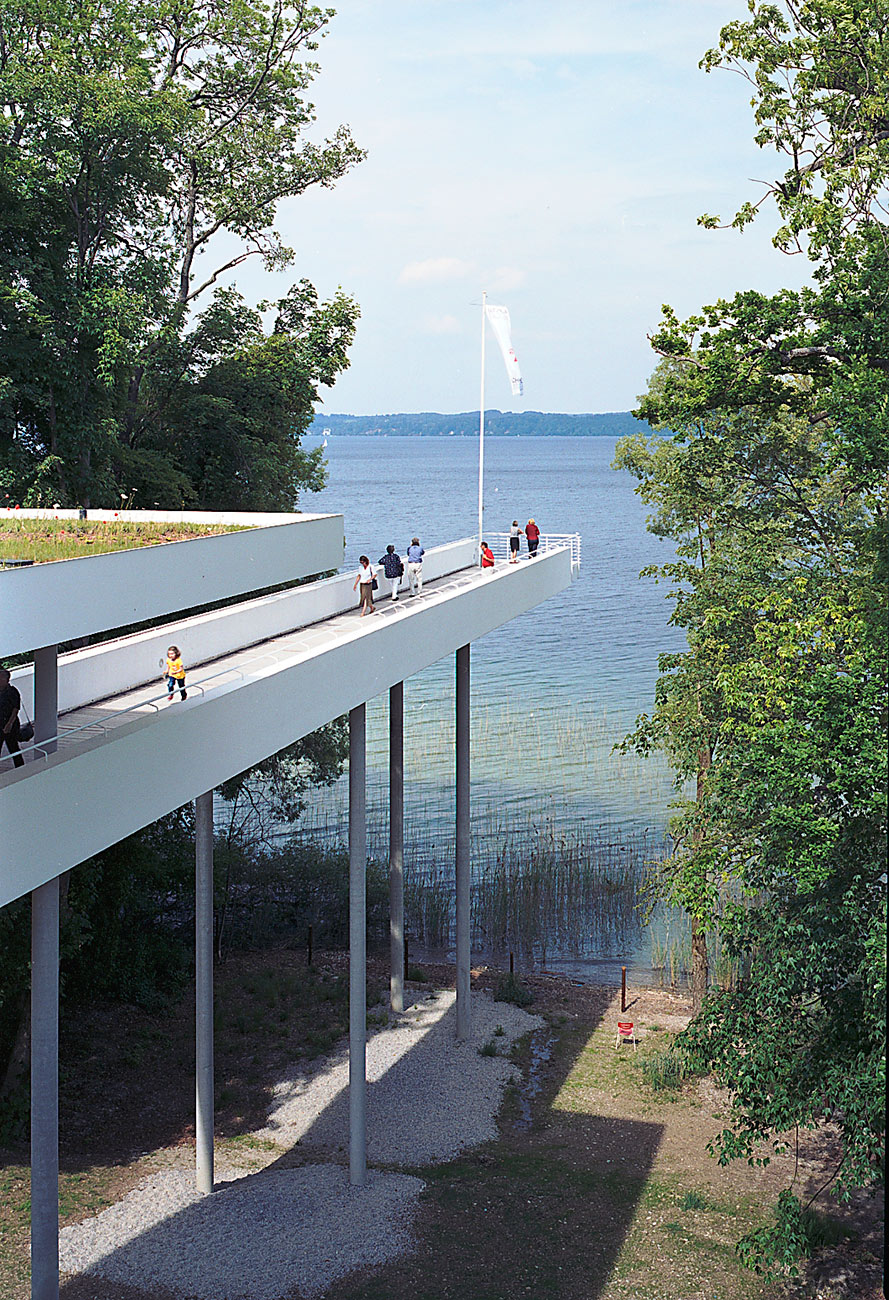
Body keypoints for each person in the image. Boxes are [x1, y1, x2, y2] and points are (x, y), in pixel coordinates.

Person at [0, 667, 24, 768]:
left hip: (10, 724)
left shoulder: (12, 691)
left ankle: (20, 768)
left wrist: (9, 724)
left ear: (7, 679)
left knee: (13, 747)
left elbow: (15, 709)